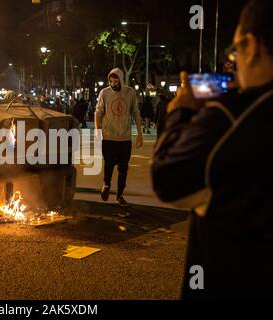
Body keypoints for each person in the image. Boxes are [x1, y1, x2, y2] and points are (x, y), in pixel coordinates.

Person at [151, 0, 273, 300]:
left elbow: (167, 179)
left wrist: (180, 112)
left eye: (235, 51)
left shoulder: (230, 116)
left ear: (253, 46)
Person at [95, 68, 143, 206]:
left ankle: (120, 195)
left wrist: (139, 134)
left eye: (116, 81)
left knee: (123, 168)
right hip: (109, 137)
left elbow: (135, 113)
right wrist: (98, 132)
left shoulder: (130, 93)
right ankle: (106, 184)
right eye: (110, 81)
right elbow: (98, 113)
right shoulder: (104, 93)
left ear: (121, 80)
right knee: (109, 164)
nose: (112, 84)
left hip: (125, 138)